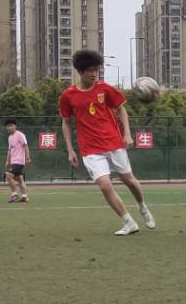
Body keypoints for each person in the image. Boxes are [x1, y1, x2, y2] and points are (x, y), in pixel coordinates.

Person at [59, 50, 155, 236]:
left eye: (97, 70)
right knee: (104, 185)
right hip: (90, 149)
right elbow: (66, 122)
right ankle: (128, 222)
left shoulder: (105, 89)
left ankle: (142, 206)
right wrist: (70, 149)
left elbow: (121, 110)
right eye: (90, 70)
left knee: (129, 181)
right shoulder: (68, 95)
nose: (94, 74)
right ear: (80, 71)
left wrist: (127, 134)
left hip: (114, 143)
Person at [4, 119, 30, 203]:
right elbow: (9, 151)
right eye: (7, 126)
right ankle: (24, 196)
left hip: (19, 161)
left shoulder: (20, 135)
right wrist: (8, 161)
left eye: (11, 125)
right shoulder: (10, 137)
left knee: (8, 176)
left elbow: (26, 146)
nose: (9, 127)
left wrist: (27, 158)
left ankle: (14, 195)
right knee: (19, 179)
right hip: (13, 162)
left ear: (15, 126)